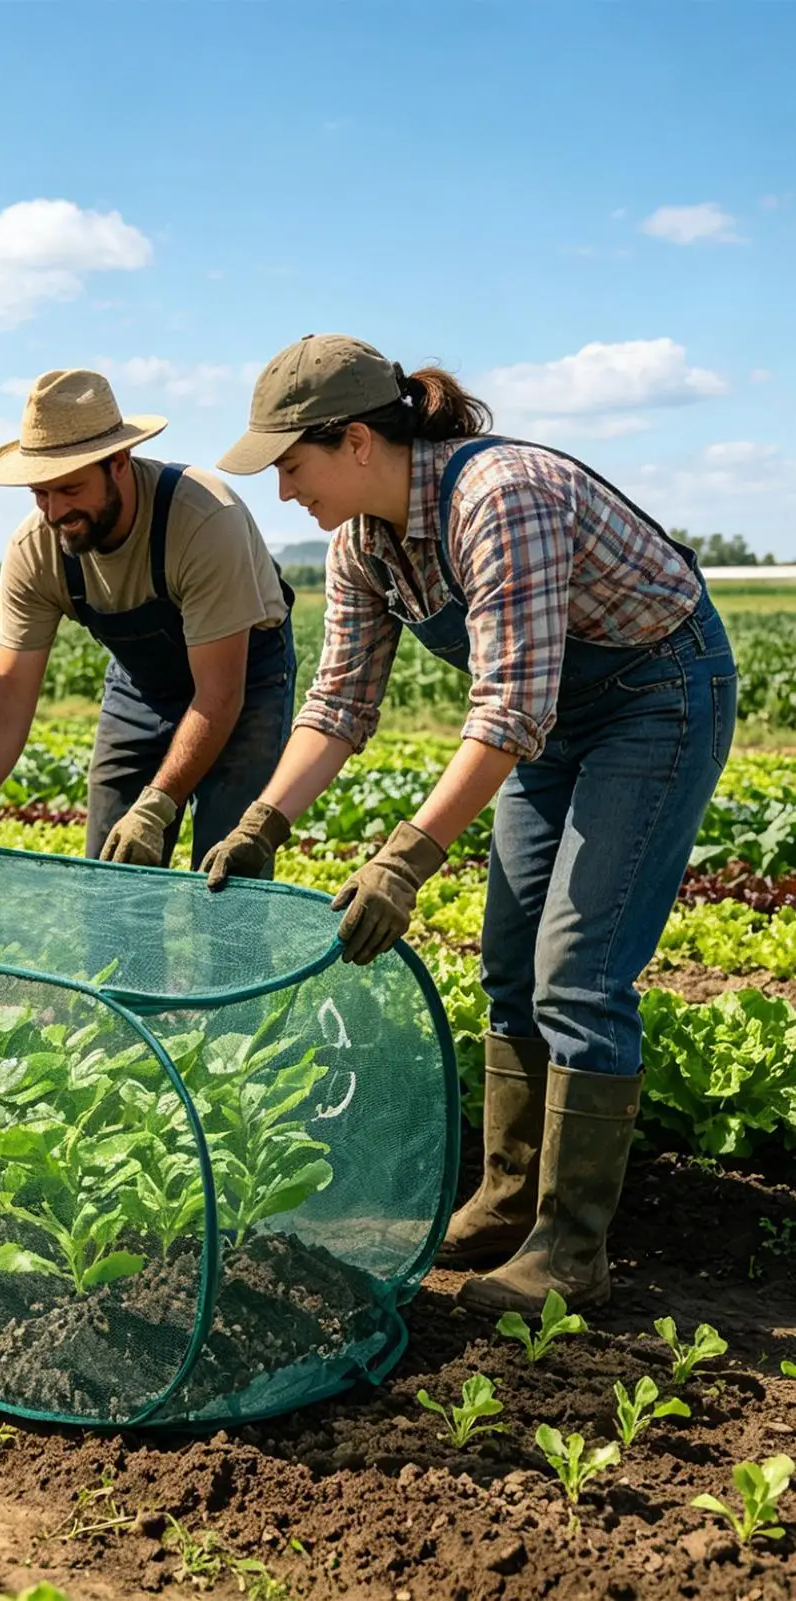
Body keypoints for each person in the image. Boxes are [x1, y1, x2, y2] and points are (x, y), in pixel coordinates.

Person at [201, 334, 738, 1314]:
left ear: (354, 440)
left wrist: (403, 859)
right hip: (554, 716)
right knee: (507, 956)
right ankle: (505, 1197)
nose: (281, 491)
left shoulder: (500, 496)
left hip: (652, 693)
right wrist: (261, 823)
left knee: (577, 967)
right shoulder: (362, 540)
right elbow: (338, 704)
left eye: (289, 464)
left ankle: (570, 1251)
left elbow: (507, 708)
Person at [0, 369, 294, 869]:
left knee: (227, 870)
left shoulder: (203, 519)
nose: (54, 512)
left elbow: (220, 695)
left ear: (118, 462)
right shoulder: (36, 550)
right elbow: (11, 687)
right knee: (112, 876)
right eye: (40, 493)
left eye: (70, 488)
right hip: (140, 688)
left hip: (244, 680)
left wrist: (158, 805)